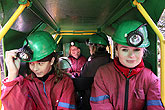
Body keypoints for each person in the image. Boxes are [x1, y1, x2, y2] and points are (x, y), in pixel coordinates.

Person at [90, 20, 165, 110]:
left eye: (137, 50)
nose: (131, 56)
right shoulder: (102, 74)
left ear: (143, 52)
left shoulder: (151, 80)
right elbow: (100, 106)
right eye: (125, 50)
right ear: (116, 50)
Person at [1, 31, 76, 110]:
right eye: (31, 64)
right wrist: (12, 74)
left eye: (40, 63)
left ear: (52, 61)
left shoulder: (65, 82)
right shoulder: (26, 84)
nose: (35, 69)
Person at [75, 32, 112, 110]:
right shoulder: (112, 63)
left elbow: (81, 86)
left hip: (89, 104)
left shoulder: (88, 65)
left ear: (94, 47)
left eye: (90, 47)